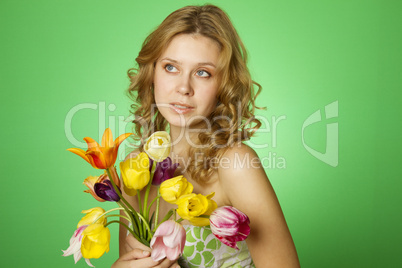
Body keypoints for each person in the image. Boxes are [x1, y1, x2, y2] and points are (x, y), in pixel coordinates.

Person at [112, 4, 300, 268]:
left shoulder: (235, 164)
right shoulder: (136, 169)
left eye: (203, 73)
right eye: (170, 67)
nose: (183, 87)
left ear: (223, 85)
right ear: (152, 73)